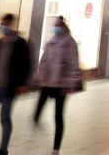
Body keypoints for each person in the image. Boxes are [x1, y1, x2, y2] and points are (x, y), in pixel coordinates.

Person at [0, 13, 32, 155]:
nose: (3, 27)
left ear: (12, 24)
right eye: (2, 24)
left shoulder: (20, 43)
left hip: (8, 88)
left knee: (4, 117)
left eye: (6, 24)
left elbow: (25, 64)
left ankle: (3, 149)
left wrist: (22, 84)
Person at [32, 16, 82, 155]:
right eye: (55, 25)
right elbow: (43, 62)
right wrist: (38, 78)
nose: (55, 28)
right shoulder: (51, 42)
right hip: (48, 83)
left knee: (58, 117)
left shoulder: (70, 43)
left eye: (58, 25)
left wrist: (70, 84)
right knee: (37, 112)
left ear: (63, 26)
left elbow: (73, 65)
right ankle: (37, 125)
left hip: (61, 85)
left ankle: (56, 148)